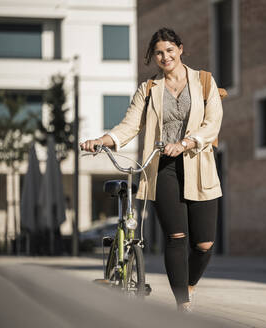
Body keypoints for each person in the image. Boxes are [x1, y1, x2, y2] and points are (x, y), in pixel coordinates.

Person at [80, 27, 223, 312]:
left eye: (170, 50)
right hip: (163, 167)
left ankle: (188, 285)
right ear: (153, 56)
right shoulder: (148, 90)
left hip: (198, 165)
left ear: (180, 49)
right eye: (159, 52)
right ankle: (183, 304)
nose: (165, 56)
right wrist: (101, 140)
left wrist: (185, 143)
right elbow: (130, 125)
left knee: (204, 244)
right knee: (176, 237)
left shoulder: (204, 81)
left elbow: (212, 124)